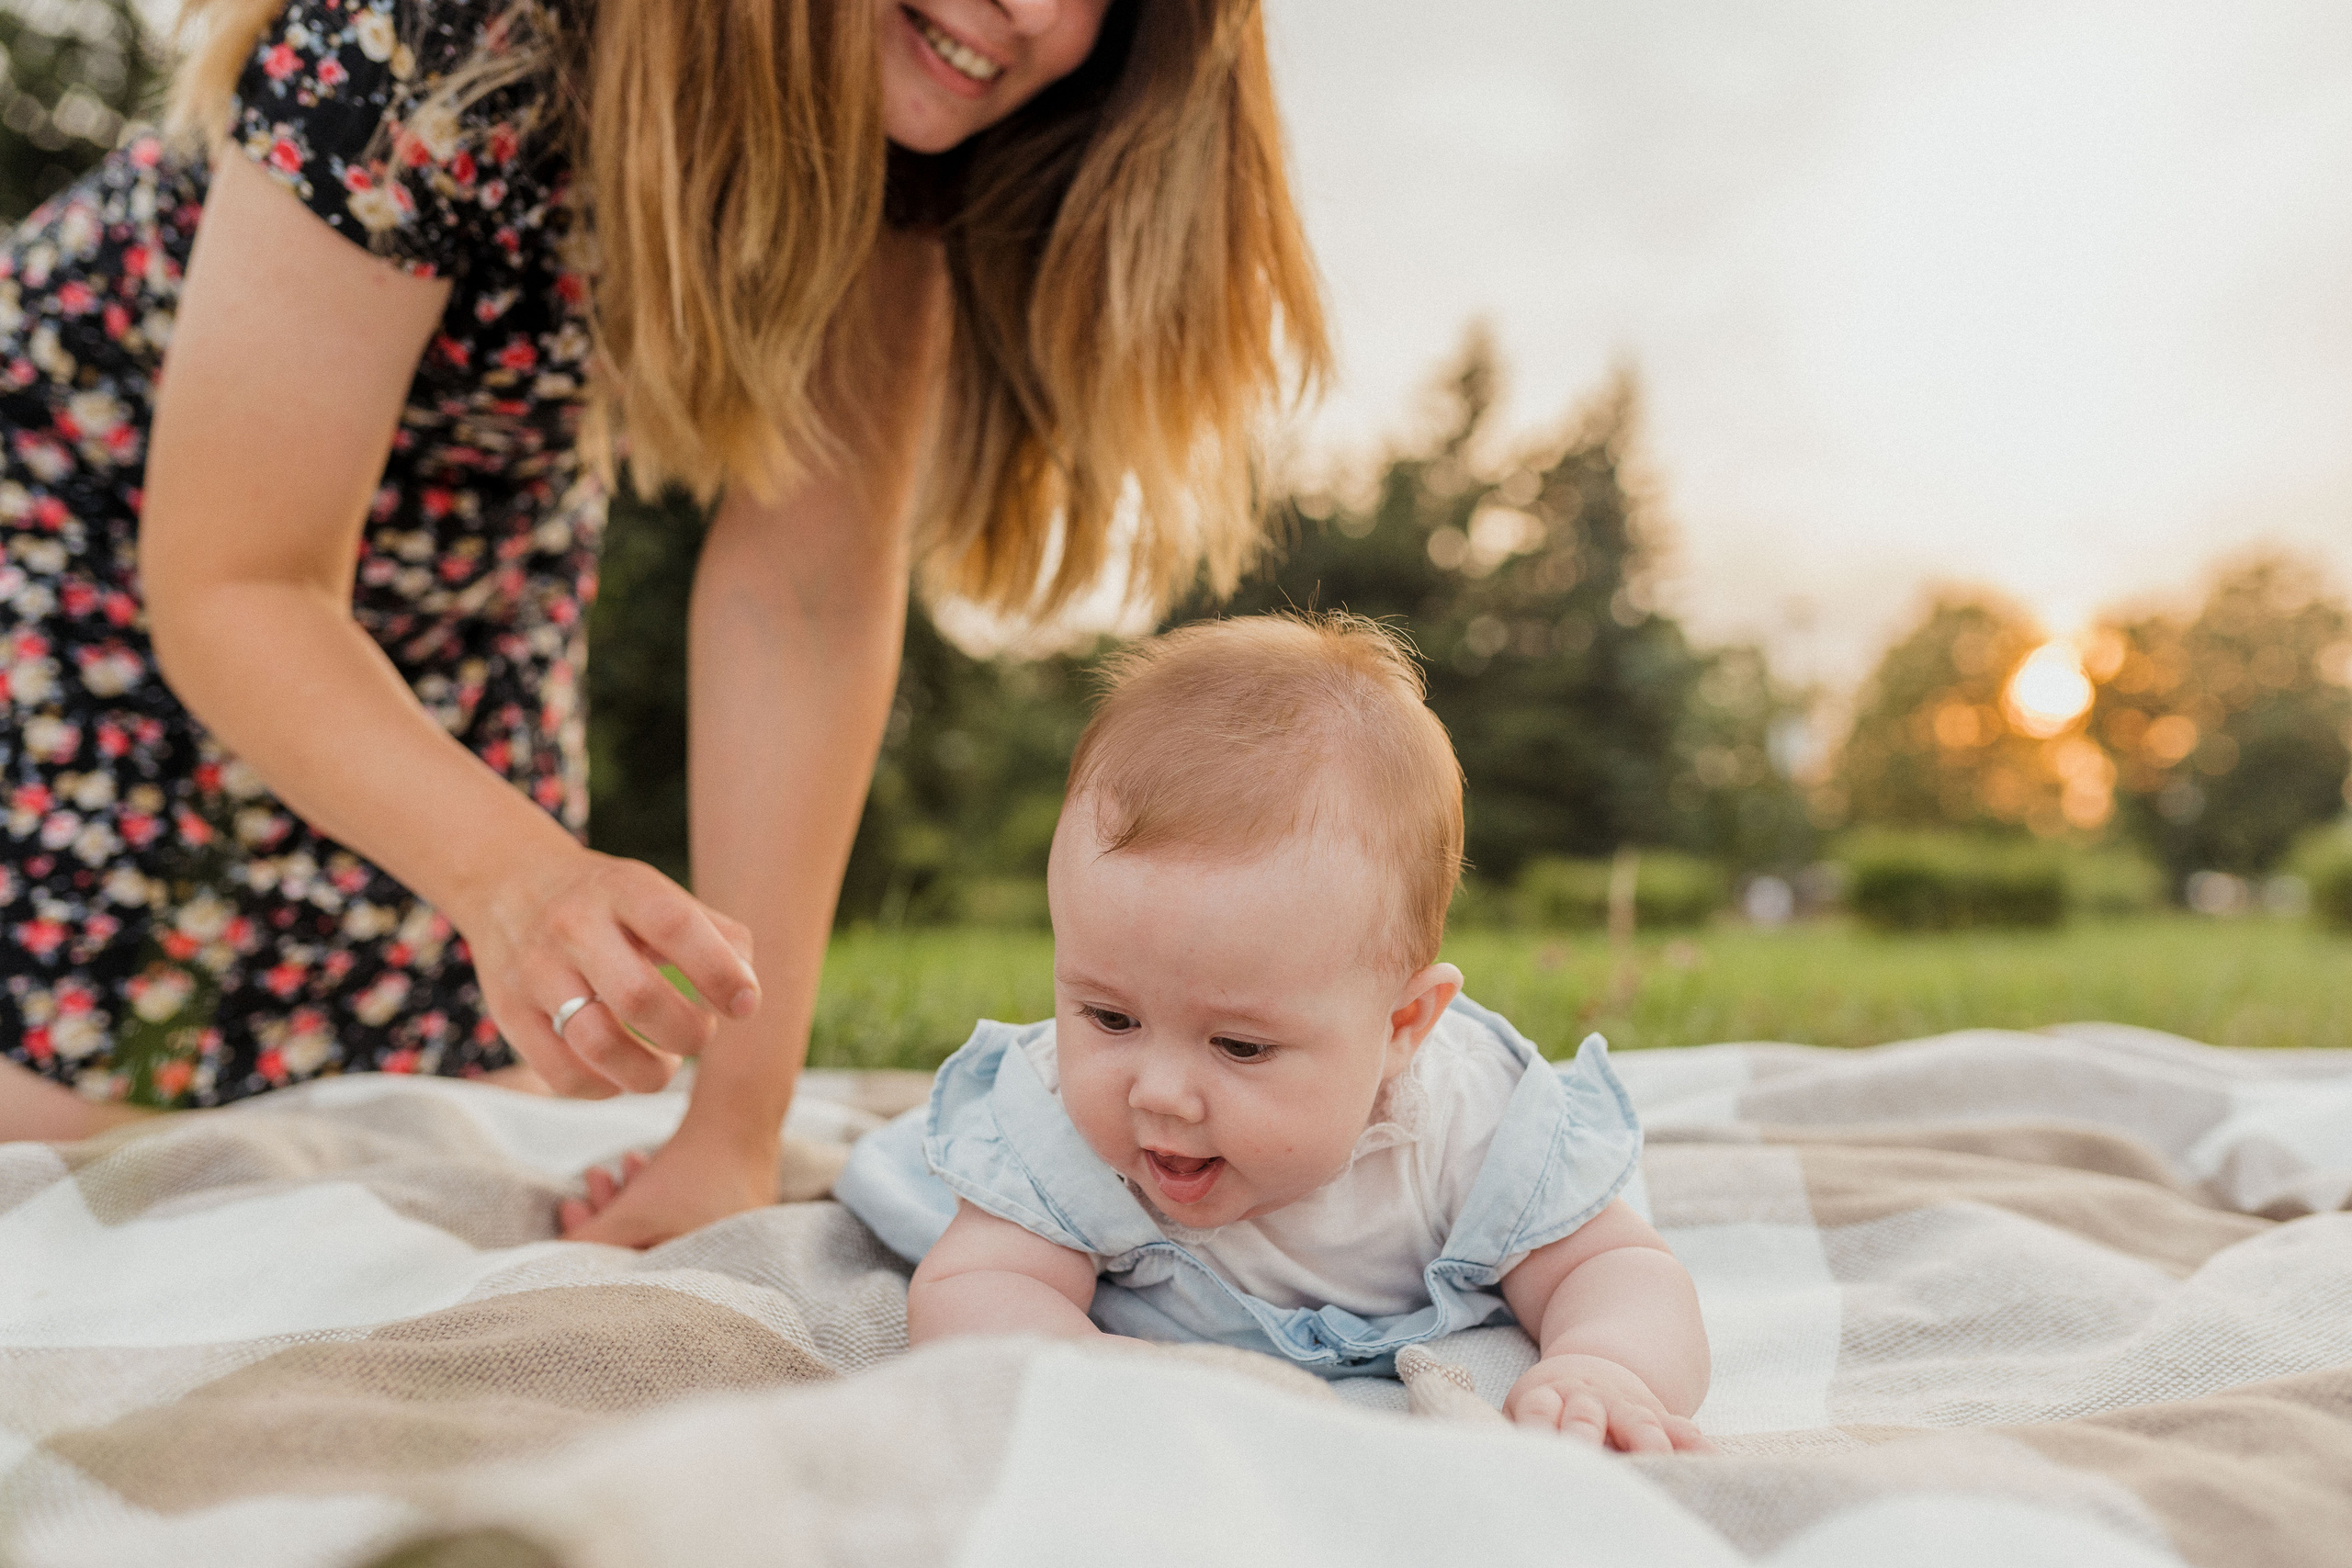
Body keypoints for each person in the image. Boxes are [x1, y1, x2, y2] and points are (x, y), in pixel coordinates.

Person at [0, 0, 1326, 1248]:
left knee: (453, 1116)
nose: (1029, 12)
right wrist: (511, 874)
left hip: (457, 591)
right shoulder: (437, 26)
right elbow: (240, 579)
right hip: (70, 526)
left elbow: (802, 602)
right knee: (86, 1137)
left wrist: (730, 1129)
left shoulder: (897, 118)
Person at [836, 615, 1713, 1447]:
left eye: (1240, 1045)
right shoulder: (1060, 1127)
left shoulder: (1474, 1127)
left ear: (1403, 1026)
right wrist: (1075, 1362)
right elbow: (979, 1285)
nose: (1161, 1092)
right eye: (1111, 1016)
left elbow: (1622, 1272)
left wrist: (1605, 1363)